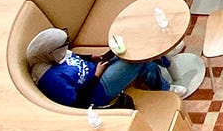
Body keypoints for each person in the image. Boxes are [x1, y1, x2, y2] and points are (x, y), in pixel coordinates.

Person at [26, 28, 184, 108]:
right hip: (97, 91)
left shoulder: (52, 56)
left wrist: (90, 58)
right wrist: (96, 75)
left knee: (133, 48)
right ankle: (165, 79)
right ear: (49, 52)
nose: (66, 49)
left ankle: (163, 57)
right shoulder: (50, 79)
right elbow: (76, 102)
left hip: (97, 70)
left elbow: (72, 59)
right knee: (136, 62)